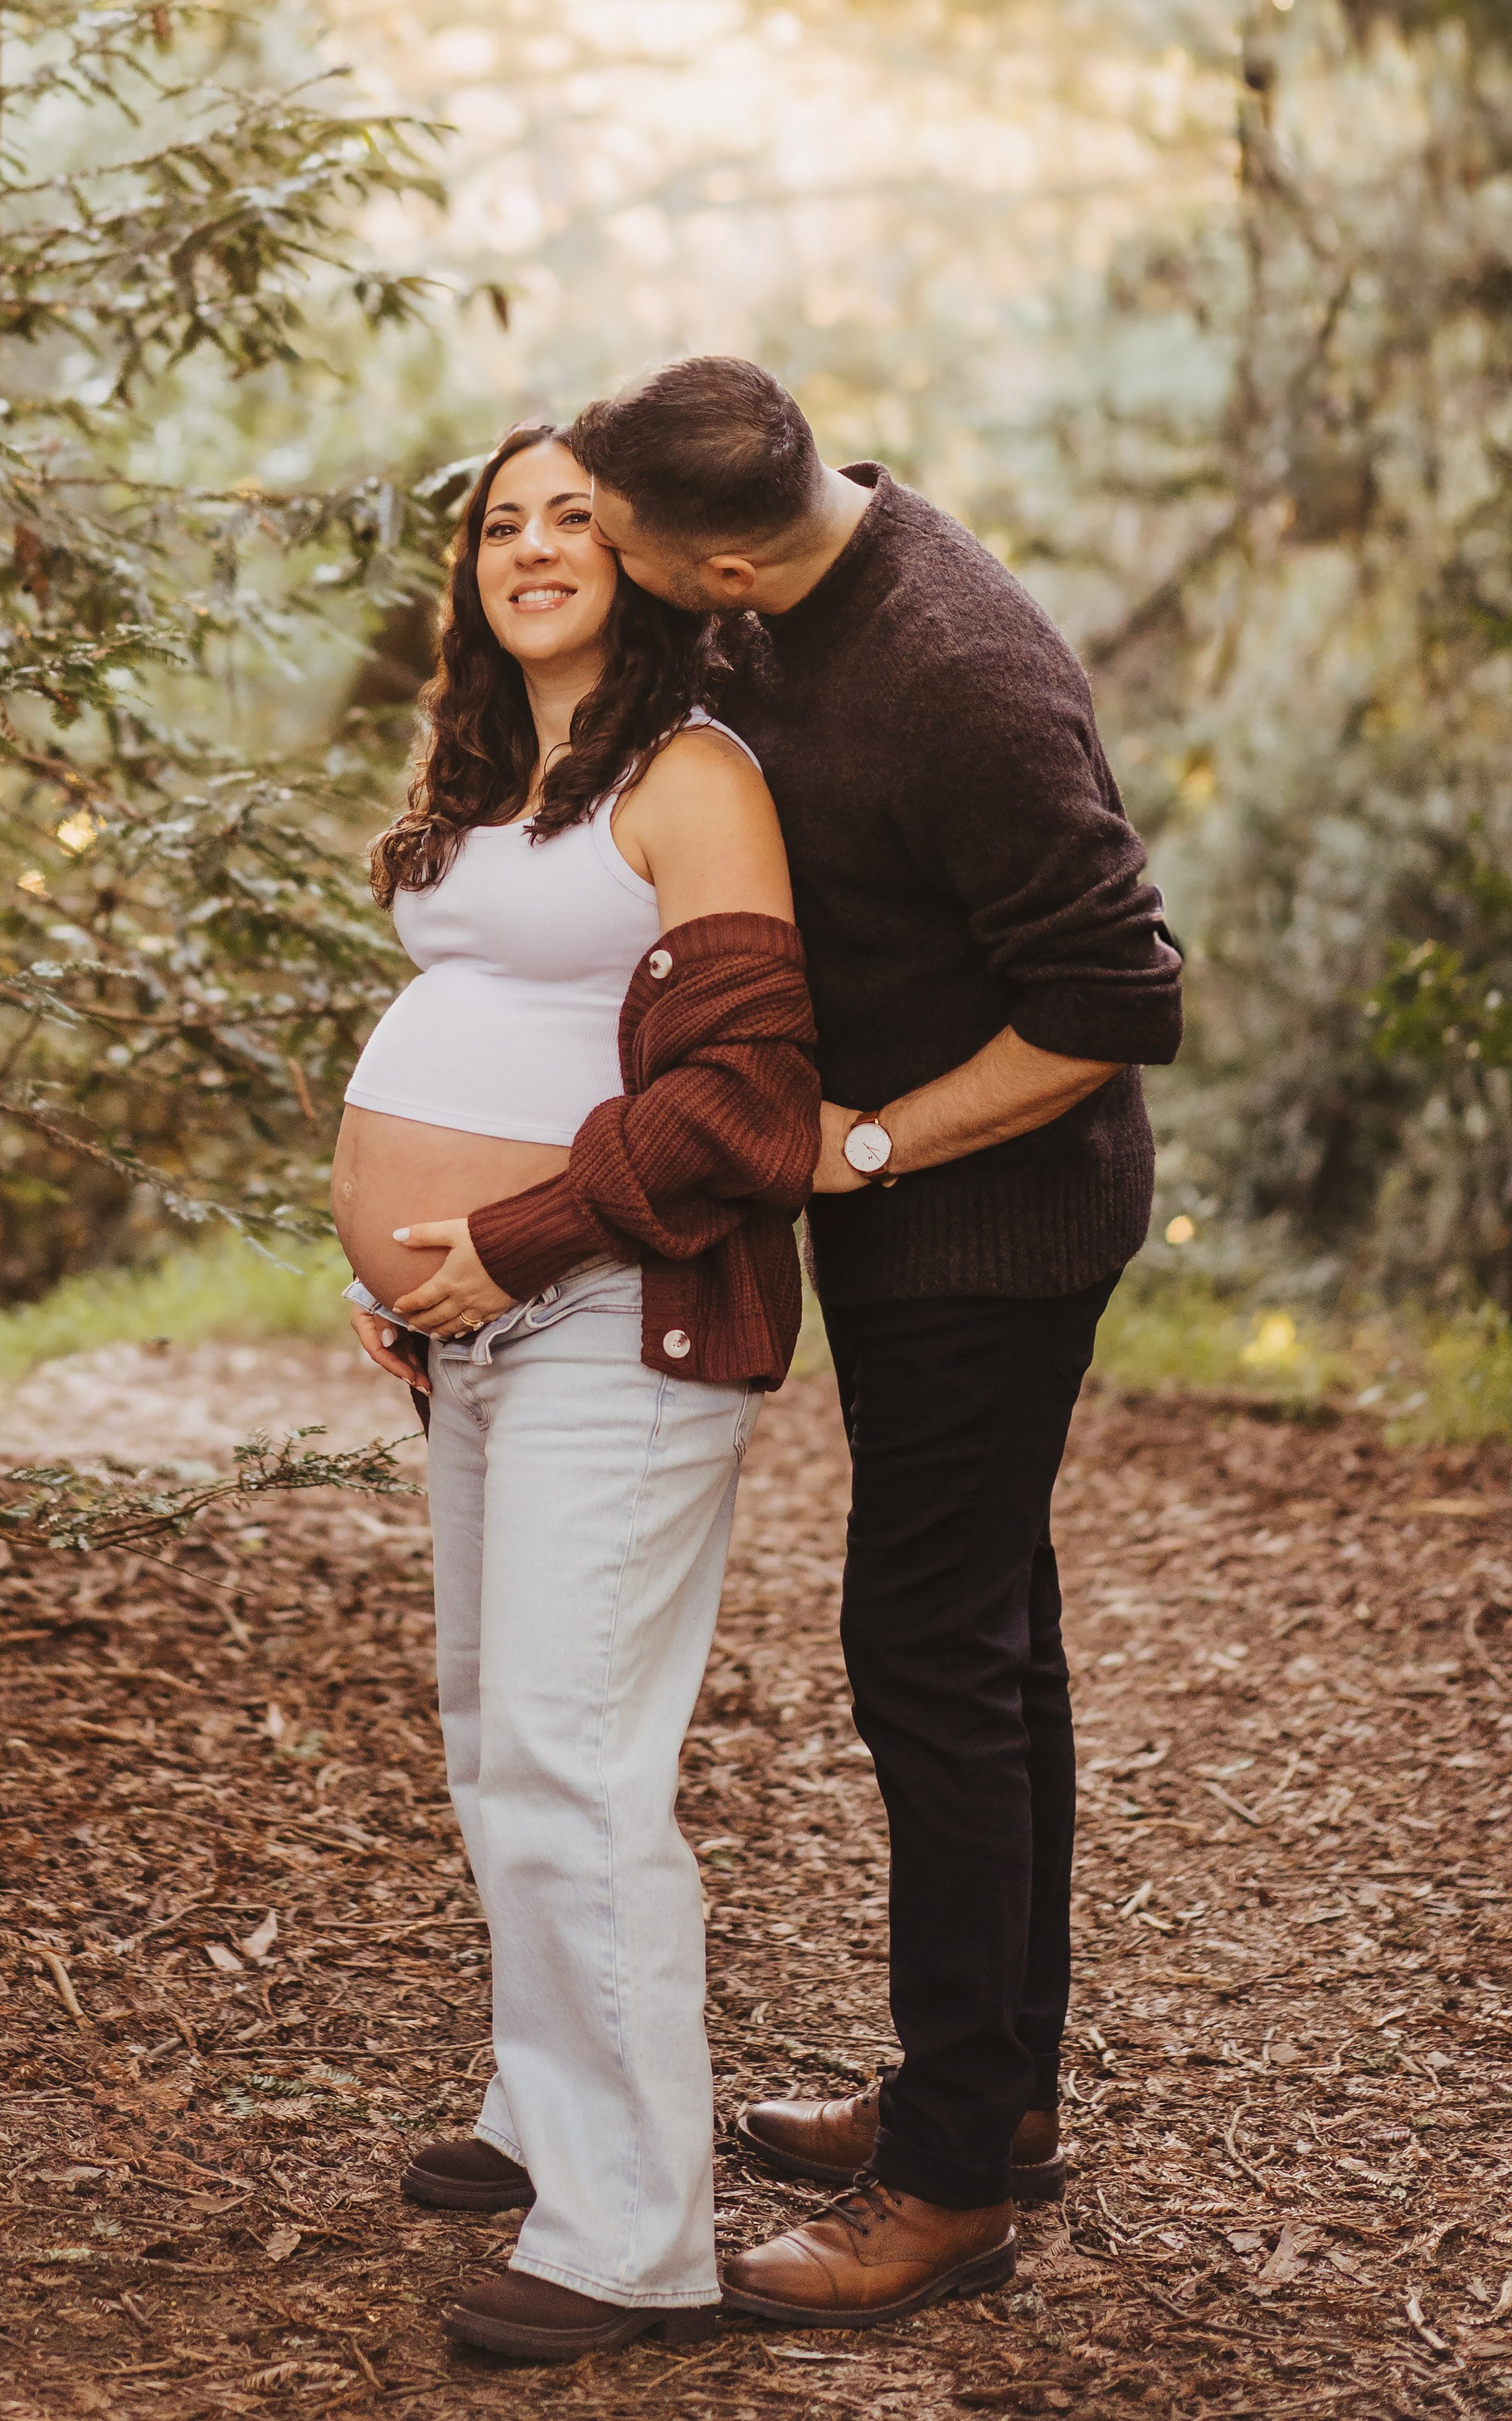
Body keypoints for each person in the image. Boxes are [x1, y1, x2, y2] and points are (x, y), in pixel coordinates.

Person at [533, 354, 1184, 2332]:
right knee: (990, 1647)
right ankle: (988, 2104)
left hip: (988, 1222)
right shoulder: (771, 592)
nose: (610, 574)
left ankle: (943, 2192)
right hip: (909, 1227)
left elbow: (1114, 996)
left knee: (927, 1659)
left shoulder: (956, 672)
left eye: (625, 549)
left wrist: (868, 1142)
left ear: (725, 550)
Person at [332, 421, 820, 2367]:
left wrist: (512, 1237)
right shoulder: (489, 775)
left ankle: (634, 2243)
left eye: (570, 520)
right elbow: (482, 1032)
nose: (531, 547)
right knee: (489, 1735)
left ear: (631, 554)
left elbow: (745, 1103)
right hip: (481, 1326)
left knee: (569, 1758)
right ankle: (546, 2112)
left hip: (621, 1322)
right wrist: (395, 1264)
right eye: (497, 523)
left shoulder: (692, 778)